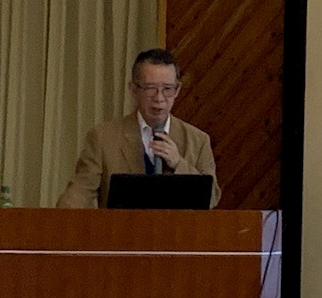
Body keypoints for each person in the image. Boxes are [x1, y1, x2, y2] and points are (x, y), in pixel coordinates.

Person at [56, 48, 221, 208]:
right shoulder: (103, 138)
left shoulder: (198, 140)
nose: (159, 98)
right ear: (133, 89)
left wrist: (178, 163)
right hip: (121, 227)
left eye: (167, 89)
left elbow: (212, 198)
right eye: (150, 89)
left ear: (177, 90)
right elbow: (79, 193)